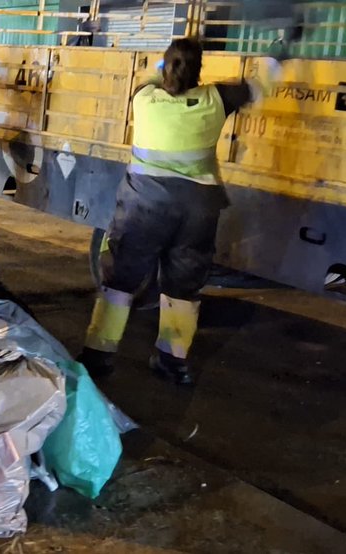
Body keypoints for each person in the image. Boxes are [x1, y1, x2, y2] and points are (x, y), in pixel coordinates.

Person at [77, 37, 282, 386]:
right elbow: (259, 87)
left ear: (166, 65)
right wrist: (279, 55)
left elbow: (155, 74)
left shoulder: (144, 97)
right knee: (182, 288)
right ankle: (172, 362)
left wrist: (166, 62)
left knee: (121, 280)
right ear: (200, 71)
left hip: (145, 205)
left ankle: (99, 355)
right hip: (197, 210)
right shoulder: (216, 99)